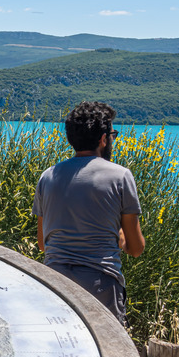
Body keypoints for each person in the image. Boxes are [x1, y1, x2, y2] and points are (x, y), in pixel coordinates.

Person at [32, 101, 145, 326]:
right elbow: (136, 249)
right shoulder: (120, 176)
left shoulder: (48, 176)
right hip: (101, 286)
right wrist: (119, 236)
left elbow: (43, 243)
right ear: (103, 139)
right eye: (112, 135)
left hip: (54, 283)